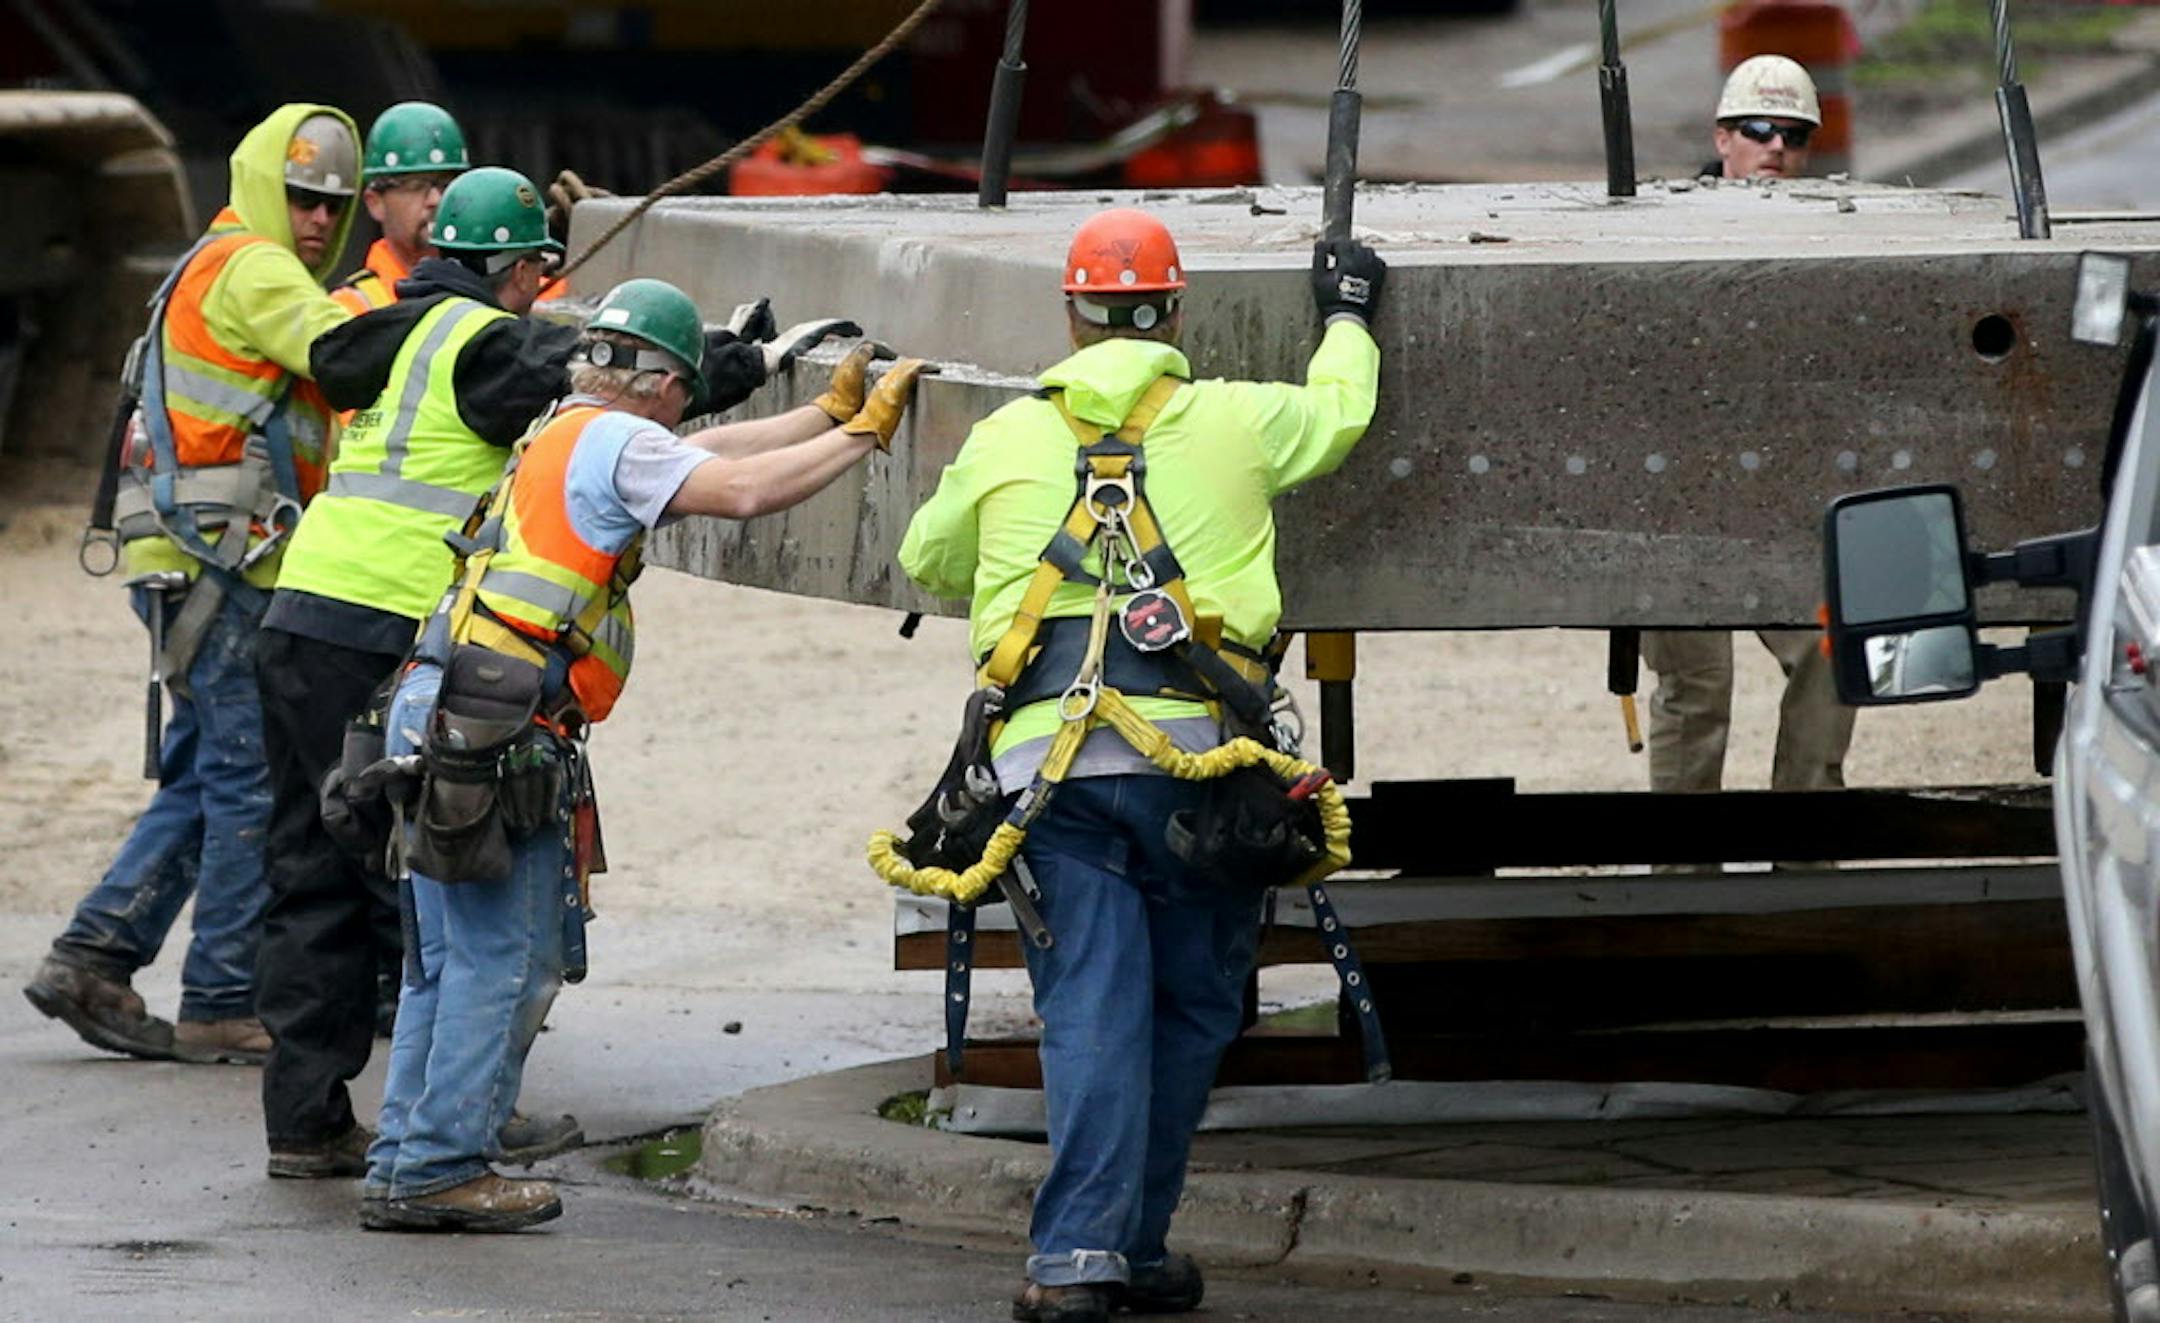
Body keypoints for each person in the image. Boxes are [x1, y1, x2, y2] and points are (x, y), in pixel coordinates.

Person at [896, 209, 1385, 1322]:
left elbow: (926, 555)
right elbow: (1345, 410)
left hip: (1043, 779)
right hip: (1200, 772)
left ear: (1071, 314)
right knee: (1190, 1009)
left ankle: (1096, 1254)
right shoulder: (1241, 421)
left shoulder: (1007, 435)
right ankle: (1106, 1248)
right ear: (1174, 312)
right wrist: (1347, 315)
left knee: (1095, 1007)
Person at [359, 278, 928, 1231]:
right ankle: (439, 1166)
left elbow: (699, 455)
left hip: (439, 700)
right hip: (497, 722)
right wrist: (863, 437)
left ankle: (407, 1154)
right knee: (509, 958)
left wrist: (820, 415)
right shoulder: (616, 441)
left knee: (443, 958)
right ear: (664, 382)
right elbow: (738, 489)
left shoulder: (565, 430)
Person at [253, 165, 573, 1179]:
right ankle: (452, 1114)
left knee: (311, 858)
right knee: (432, 863)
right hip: (387, 625)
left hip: (302, 606)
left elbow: (341, 360)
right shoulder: (491, 347)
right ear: (511, 268)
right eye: (534, 272)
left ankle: (305, 1121)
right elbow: (606, 388)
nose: (538, 292)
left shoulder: (391, 326)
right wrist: (732, 359)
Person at [22, 105, 360, 1066]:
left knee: (206, 772)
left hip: (189, 563)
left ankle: (93, 955)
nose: (316, 220)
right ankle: (219, 997)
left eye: (331, 205)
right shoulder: (256, 270)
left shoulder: (214, 261)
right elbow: (341, 356)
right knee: (249, 779)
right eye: (301, 197)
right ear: (263, 185)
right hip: (225, 568)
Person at [1646, 53, 1853, 800]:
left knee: (1831, 649)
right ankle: (1682, 877)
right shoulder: (1656, 234)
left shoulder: (1835, 241)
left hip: (1782, 505)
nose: (1776, 147)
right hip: (1674, 502)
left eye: (1793, 136)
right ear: (1722, 137)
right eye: (1759, 129)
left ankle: (1804, 850)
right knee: (1696, 687)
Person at [331, 101, 469, 316]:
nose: (436, 199)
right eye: (416, 186)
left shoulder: (502, 287)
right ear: (375, 202)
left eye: (446, 185)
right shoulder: (351, 309)